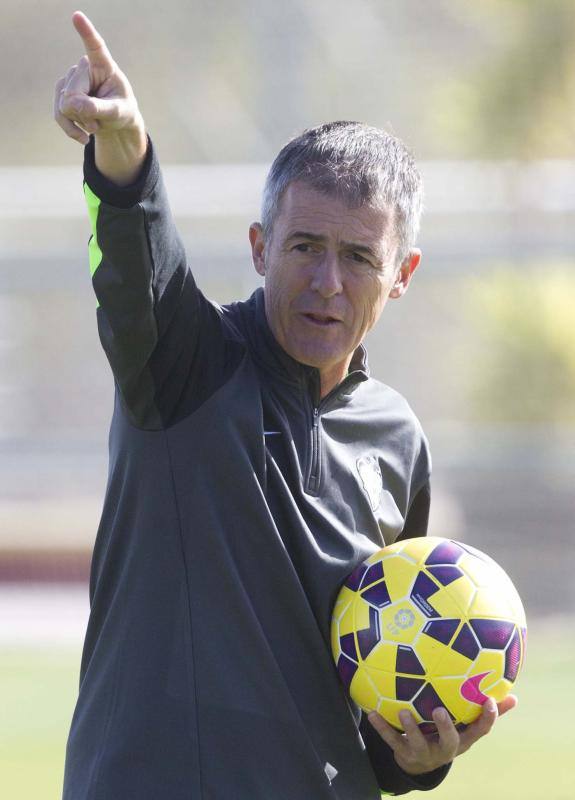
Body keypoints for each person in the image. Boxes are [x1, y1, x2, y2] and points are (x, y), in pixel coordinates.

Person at [54, 11, 517, 800]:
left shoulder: (396, 439)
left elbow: (370, 688)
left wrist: (417, 757)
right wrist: (123, 150)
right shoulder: (183, 364)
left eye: (358, 258)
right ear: (260, 246)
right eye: (304, 247)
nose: (326, 284)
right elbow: (136, 260)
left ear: (400, 273)